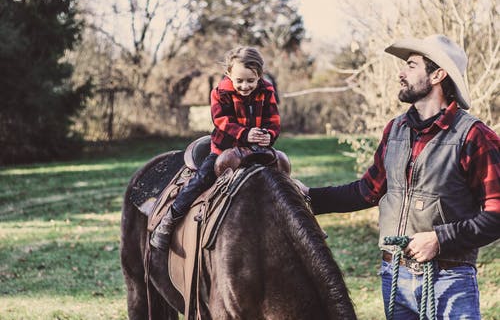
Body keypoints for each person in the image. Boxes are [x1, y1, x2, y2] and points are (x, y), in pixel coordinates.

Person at [295, 34, 500, 319]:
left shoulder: (474, 136)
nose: (400, 73)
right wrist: (307, 197)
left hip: (449, 280)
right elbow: (368, 190)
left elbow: (496, 214)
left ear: (438, 74)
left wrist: (440, 239)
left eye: (412, 65)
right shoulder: (395, 130)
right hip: (395, 276)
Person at [150, 46, 281, 251]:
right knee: (202, 179)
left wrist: (269, 135)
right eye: (239, 81)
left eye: (250, 81)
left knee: (282, 176)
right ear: (229, 74)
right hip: (225, 148)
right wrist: (245, 133)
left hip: (256, 150)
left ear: (259, 76)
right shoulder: (220, 92)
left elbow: (273, 120)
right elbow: (221, 121)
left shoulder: (267, 91)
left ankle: (297, 221)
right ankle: (170, 219)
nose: (245, 86)